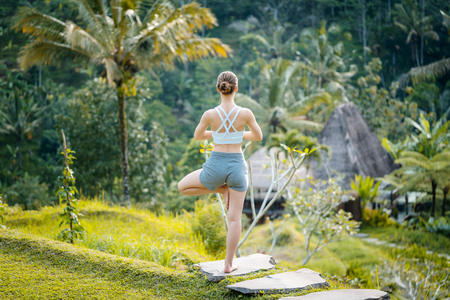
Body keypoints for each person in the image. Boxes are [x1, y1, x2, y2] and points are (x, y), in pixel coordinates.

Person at [178, 71, 263, 273]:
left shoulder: (209, 114)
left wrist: (218, 132)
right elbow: (258, 136)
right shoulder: (246, 114)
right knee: (234, 219)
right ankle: (228, 264)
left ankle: (220, 190)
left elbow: (198, 135)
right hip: (237, 168)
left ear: (218, 88)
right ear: (236, 88)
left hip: (215, 166)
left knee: (182, 187)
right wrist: (237, 132)